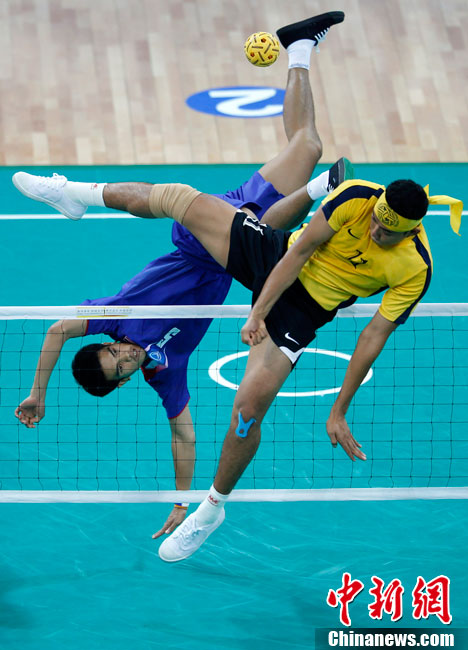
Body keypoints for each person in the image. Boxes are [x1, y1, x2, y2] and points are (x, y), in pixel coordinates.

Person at [13, 11, 352, 540]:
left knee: (173, 197)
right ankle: (300, 48)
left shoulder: (114, 317)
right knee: (307, 147)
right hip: (237, 243)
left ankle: (74, 194)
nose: (125, 356)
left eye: (114, 353)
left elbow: (57, 329)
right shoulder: (164, 373)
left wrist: (38, 394)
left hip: (205, 243)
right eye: (121, 368)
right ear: (125, 381)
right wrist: (181, 499)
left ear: (108, 343)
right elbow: (184, 436)